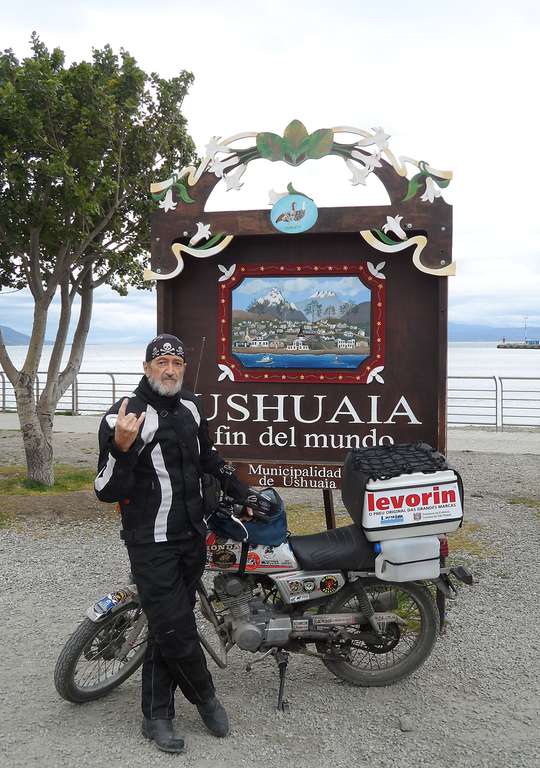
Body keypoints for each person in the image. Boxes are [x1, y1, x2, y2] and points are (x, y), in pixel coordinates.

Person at [94, 333, 250, 754]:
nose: (169, 369)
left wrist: (242, 492)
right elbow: (105, 489)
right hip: (151, 542)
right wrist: (123, 448)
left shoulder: (193, 407)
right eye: (160, 362)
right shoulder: (122, 417)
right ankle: (206, 699)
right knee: (178, 630)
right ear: (146, 369)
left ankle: (155, 716)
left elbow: (208, 459)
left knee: (166, 628)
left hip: (192, 537)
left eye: (176, 363)